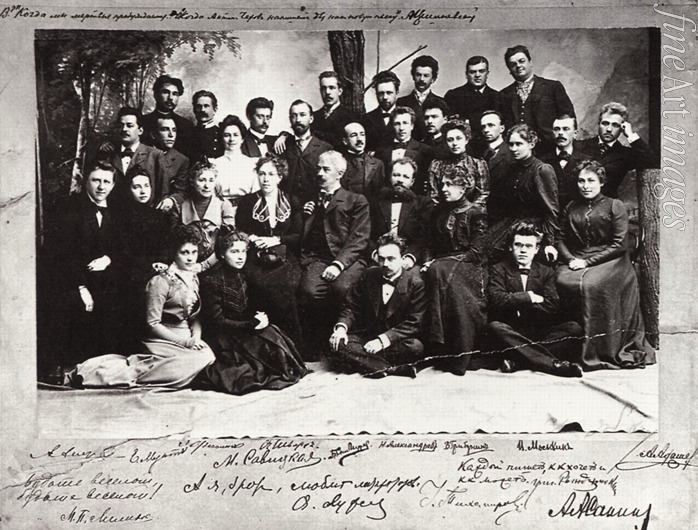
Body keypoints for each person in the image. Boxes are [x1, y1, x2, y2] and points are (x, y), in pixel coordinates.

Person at [73, 225, 216, 388]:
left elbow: (195, 317)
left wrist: (195, 338)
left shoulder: (193, 278)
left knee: (207, 357)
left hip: (188, 337)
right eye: (184, 253)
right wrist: (184, 342)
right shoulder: (160, 282)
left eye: (194, 252)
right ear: (174, 253)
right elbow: (152, 323)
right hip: (161, 340)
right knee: (193, 363)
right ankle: (105, 373)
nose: (190, 258)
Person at [555, 160, 656, 370]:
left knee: (591, 285)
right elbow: (560, 238)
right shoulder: (571, 207)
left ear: (601, 182)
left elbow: (619, 244)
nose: (586, 186)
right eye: (581, 181)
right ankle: (570, 346)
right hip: (577, 257)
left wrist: (587, 262)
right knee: (559, 279)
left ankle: (600, 348)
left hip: (613, 261)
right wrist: (570, 259)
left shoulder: (614, 205)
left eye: (591, 180)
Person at [195, 229, 309, 395]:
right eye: (234, 252)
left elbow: (249, 305)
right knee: (250, 368)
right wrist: (249, 325)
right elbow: (217, 321)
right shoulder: (212, 281)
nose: (240, 257)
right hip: (223, 336)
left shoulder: (243, 274)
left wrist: (260, 318)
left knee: (271, 334)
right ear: (222, 255)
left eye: (243, 251)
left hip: (241, 327)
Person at [42, 161, 124, 378]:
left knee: (118, 302)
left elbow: (123, 247)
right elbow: (62, 254)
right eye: (96, 180)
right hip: (72, 277)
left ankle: (102, 368)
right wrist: (81, 287)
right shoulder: (69, 208)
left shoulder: (118, 210)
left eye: (106, 182)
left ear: (113, 185)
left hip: (105, 278)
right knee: (68, 302)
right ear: (86, 181)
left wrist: (108, 258)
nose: (101, 187)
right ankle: (58, 366)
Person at [486, 221, 583, 377]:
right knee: (494, 327)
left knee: (574, 328)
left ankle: (518, 361)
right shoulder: (498, 269)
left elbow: (552, 305)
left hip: (538, 330)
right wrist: (529, 297)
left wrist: (514, 302)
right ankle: (554, 365)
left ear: (537, 249)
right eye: (518, 245)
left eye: (529, 246)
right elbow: (497, 299)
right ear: (510, 247)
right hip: (512, 332)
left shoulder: (546, 271)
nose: (523, 250)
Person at [298, 151, 371, 358]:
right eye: (318, 168)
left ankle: (344, 343)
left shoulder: (356, 200)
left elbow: (359, 238)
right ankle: (319, 344)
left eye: (326, 169)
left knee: (342, 288)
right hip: (319, 258)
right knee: (309, 291)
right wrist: (307, 215)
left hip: (349, 260)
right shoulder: (312, 200)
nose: (320, 173)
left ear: (340, 173)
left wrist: (338, 264)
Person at [329, 233, 427, 378]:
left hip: (394, 341)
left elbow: (414, 323)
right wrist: (341, 328)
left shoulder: (415, 284)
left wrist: (382, 341)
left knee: (415, 347)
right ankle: (391, 369)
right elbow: (351, 306)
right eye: (381, 259)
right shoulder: (368, 275)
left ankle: (369, 364)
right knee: (339, 344)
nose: (385, 264)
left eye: (391, 259)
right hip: (368, 338)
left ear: (402, 259)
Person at [422, 168, 488, 375]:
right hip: (440, 264)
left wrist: (438, 262)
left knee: (440, 273)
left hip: (469, 266)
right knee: (432, 272)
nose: (444, 189)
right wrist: (427, 261)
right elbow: (429, 244)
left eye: (449, 184)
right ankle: (437, 348)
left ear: (463, 188)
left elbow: (476, 252)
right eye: (442, 184)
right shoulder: (438, 211)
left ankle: (460, 355)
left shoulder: (476, 213)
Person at [235, 154, 304, 345]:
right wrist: (252, 238)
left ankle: (288, 342)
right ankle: (263, 342)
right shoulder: (248, 201)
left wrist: (276, 240)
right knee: (257, 283)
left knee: (286, 285)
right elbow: (240, 230)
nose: (266, 179)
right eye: (262, 174)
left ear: (280, 177)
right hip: (255, 255)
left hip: (284, 256)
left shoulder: (291, 200)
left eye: (271, 174)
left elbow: (297, 235)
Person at [116, 165, 174, 353]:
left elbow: (167, 245)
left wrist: (163, 261)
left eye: (146, 186)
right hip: (132, 270)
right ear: (129, 189)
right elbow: (123, 251)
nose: (143, 191)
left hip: (158, 269)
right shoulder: (121, 218)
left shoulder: (160, 216)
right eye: (137, 187)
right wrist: (149, 265)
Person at [485, 124, 560, 263]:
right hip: (511, 221)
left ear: (531, 144)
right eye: (511, 144)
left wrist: (549, 242)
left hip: (533, 225)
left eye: (519, 144)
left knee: (495, 252)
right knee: (484, 247)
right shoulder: (512, 168)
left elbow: (551, 210)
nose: (513, 149)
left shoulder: (541, 170)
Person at [499, 45, 575, 155]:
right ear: (510, 70)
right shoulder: (504, 95)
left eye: (522, 61)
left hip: (550, 150)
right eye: (513, 64)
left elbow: (567, 117)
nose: (518, 66)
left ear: (530, 62)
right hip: (517, 153)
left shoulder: (552, 87)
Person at [577, 102, 655, 199]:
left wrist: (630, 135)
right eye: (605, 123)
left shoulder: (626, 154)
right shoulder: (579, 146)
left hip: (608, 205)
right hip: (577, 204)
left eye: (615, 125)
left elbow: (651, 161)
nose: (609, 129)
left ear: (622, 128)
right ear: (598, 124)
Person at [369, 157, 433, 267]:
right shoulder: (376, 202)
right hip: (379, 258)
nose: (400, 180)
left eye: (405, 176)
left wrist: (410, 257)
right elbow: (366, 234)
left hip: (407, 259)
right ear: (390, 177)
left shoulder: (423, 204)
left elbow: (424, 237)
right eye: (396, 175)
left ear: (412, 181)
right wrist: (375, 254)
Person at [174, 161, 235, 273]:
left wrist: (204, 266)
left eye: (211, 180)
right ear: (192, 181)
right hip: (186, 265)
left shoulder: (224, 205)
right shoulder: (180, 206)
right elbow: (174, 243)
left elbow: (227, 244)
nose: (207, 186)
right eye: (202, 180)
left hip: (218, 265)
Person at [102, 107, 165, 207]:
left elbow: (162, 192)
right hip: (112, 213)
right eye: (121, 126)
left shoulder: (155, 155)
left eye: (129, 126)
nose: (124, 129)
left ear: (140, 130)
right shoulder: (108, 153)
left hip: (145, 213)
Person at [444, 55, 501, 156]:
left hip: (490, 151)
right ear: (466, 74)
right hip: (462, 151)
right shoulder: (454, 96)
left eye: (481, 71)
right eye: (473, 72)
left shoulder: (498, 97)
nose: (477, 75)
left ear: (487, 73)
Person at [426, 120, 489, 207]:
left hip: (471, 212)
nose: (455, 143)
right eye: (450, 140)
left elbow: (482, 194)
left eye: (459, 138)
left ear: (466, 140)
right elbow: (433, 196)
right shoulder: (437, 165)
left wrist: (468, 211)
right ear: (445, 142)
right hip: (443, 212)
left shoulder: (478, 164)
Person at [280, 100, 333, 203]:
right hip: (288, 206)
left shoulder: (325, 148)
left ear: (311, 119)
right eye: (294, 116)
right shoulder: (283, 146)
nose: (298, 120)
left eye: (302, 115)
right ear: (290, 119)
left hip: (316, 206)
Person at [374, 106, 434, 196]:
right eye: (397, 124)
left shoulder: (425, 151)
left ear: (412, 126)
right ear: (392, 126)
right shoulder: (381, 151)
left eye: (405, 123)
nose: (401, 128)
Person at [539, 114, 591, 208]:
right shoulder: (542, 161)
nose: (560, 133)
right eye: (557, 129)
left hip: (577, 213)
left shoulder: (587, 161)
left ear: (575, 133)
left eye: (566, 129)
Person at [211, 114, 260, 214]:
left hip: (247, 210)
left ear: (242, 139)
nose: (231, 139)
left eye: (235, 135)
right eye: (227, 135)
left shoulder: (252, 164)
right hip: (220, 210)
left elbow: (257, 194)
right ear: (221, 139)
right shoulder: (214, 164)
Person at [141, 74, 197, 160]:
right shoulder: (143, 122)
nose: (170, 98)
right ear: (156, 95)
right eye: (165, 92)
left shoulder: (186, 125)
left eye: (175, 94)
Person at [396, 55, 447, 142]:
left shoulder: (441, 102)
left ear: (433, 79)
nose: (421, 79)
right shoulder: (402, 102)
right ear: (413, 76)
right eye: (418, 75)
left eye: (426, 76)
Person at [480, 110, 516, 224]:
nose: (486, 130)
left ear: (502, 128)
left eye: (491, 125)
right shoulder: (482, 154)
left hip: (504, 215)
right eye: (483, 126)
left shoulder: (512, 154)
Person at [311, 71, 358, 150]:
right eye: (323, 88)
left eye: (332, 88)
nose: (327, 92)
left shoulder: (352, 117)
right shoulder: (313, 117)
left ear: (340, 91)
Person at [151, 116, 189, 212]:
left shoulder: (181, 160)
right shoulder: (143, 153)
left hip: (164, 211)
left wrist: (171, 200)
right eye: (165, 130)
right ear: (153, 134)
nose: (171, 135)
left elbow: (181, 191)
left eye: (174, 130)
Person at [339, 121, 385, 198]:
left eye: (362, 134)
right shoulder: (338, 162)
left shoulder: (378, 164)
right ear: (345, 141)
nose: (359, 139)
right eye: (354, 135)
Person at [361, 70, 401, 151]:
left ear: (397, 93)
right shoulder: (365, 120)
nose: (385, 97)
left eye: (389, 93)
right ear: (376, 94)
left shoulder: (407, 117)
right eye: (381, 93)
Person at [192, 90, 224, 160]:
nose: (202, 110)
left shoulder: (222, 132)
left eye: (206, 106)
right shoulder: (189, 133)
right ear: (194, 110)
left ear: (215, 109)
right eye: (199, 106)